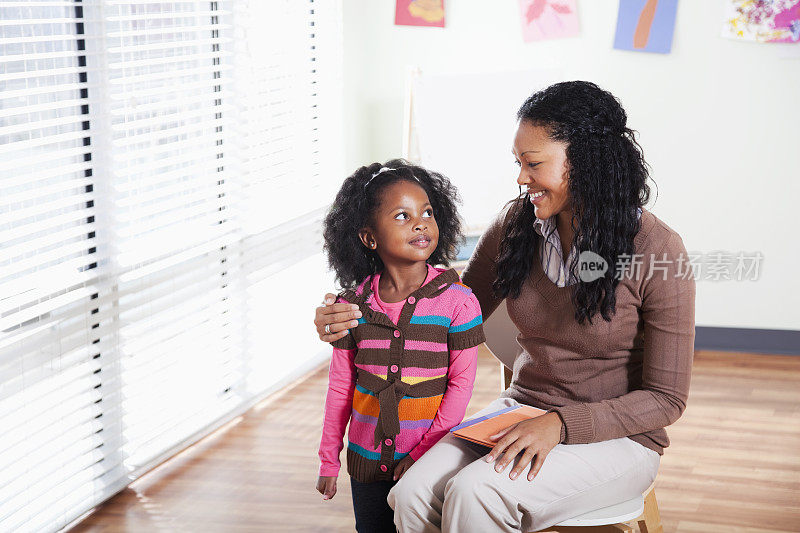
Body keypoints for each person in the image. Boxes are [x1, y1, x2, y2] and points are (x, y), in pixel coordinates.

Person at [314, 81, 696, 532]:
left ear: (588, 163)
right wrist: (348, 317)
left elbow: (667, 399)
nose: (521, 178)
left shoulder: (659, 250)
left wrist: (561, 425)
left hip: (620, 440)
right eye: (518, 163)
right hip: (521, 411)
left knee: (475, 493)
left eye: (533, 164)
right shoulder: (517, 225)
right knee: (412, 492)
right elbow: (445, 307)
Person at [315, 160, 486, 532]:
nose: (421, 223)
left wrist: (424, 453)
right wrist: (329, 459)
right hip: (365, 460)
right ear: (369, 238)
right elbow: (341, 388)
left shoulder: (457, 302)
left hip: (430, 460)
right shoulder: (350, 307)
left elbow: (460, 386)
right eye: (402, 216)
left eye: (426, 212)